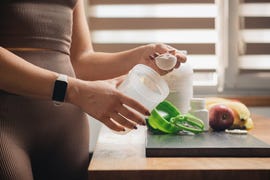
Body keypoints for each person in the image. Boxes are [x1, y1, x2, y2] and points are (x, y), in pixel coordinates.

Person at [0, 0, 186, 179]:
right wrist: (75, 91)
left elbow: (80, 60)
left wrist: (140, 56)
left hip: (67, 128)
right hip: (7, 126)